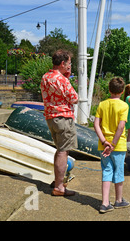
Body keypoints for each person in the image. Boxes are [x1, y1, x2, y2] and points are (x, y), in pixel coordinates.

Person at [40, 50, 78, 196]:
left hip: (50, 117)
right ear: (62, 63)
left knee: (59, 150)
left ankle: (58, 182)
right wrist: (67, 78)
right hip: (63, 118)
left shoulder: (46, 77)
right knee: (63, 152)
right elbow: (74, 98)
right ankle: (59, 187)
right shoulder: (62, 79)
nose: (69, 66)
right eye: (68, 63)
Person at [93, 77, 130, 213]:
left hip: (103, 145)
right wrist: (113, 144)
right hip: (118, 145)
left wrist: (104, 142)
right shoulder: (124, 106)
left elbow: (96, 124)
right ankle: (119, 200)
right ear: (121, 92)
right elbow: (121, 127)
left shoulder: (102, 104)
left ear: (109, 90)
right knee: (118, 172)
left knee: (106, 171)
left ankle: (105, 203)